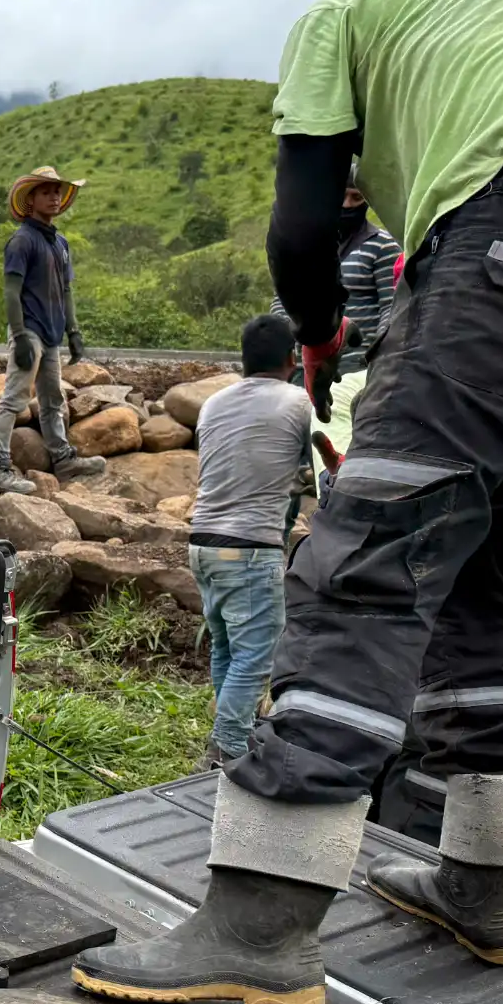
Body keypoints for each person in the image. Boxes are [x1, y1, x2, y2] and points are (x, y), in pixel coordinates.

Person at [72, 0, 503, 1004]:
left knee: (373, 550)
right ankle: (483, 885)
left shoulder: (350, 13)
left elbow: (300, 228)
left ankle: (257, 920)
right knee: (492, 566)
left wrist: (320, 328)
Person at [188, 315, 314, 768]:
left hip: (202, 545)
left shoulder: (213, 403)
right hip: (248, 549)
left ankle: (229, 736)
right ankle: (227, 751)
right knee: (255, 658)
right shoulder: (297, 402)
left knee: (227, 648)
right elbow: (319, 463)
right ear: (291, 358)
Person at [0, 167, 108, 495]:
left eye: (57, 192)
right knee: (14, 398)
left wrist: (74, 332)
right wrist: (20, 334)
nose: (54, 197)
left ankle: (63, 458)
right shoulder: (22, 240)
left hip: (52, 334)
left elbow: (66, 291)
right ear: (31, 199)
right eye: (46, 192)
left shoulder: (61, 243)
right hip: (31, 331)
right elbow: (11, 292)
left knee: (53, 399)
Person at [273, 169, 404, 350]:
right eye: (341, 196)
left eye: (356, 197)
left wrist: (377, 359)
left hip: (358, 368)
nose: (347, 205)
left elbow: (392, 311)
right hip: (303, 366)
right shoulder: (306, 246)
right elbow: (282, 301)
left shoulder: (383, 246)